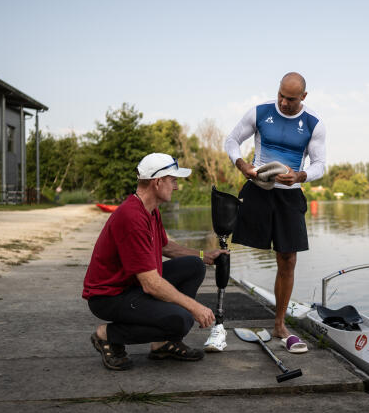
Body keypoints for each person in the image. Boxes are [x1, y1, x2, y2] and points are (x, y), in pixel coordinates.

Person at [82, 153, 226, 370]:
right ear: (158, 182)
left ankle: (162, 344)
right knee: (182, 320)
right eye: (173, 180)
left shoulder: (150, 211)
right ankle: (107, 335)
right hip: (109, 297)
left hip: (131, 285)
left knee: (193, 266)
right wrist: (194, 307)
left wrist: (202, 255)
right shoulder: (132, 216)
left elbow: (165, 247)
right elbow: (150, 283)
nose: (176, 187)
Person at [224, 72, 326, 339]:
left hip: (289, 196)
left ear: (303, 97)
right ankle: (218, 315)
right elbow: (232, 140)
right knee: (225, 241)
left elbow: (319, 165)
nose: (283, 102)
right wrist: (242, 164)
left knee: (288, 259)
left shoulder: (313, 123)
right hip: (259, 189)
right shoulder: (259, 112)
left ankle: (279, 323)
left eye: (290, 99)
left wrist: (300, 176)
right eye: (281, 95)